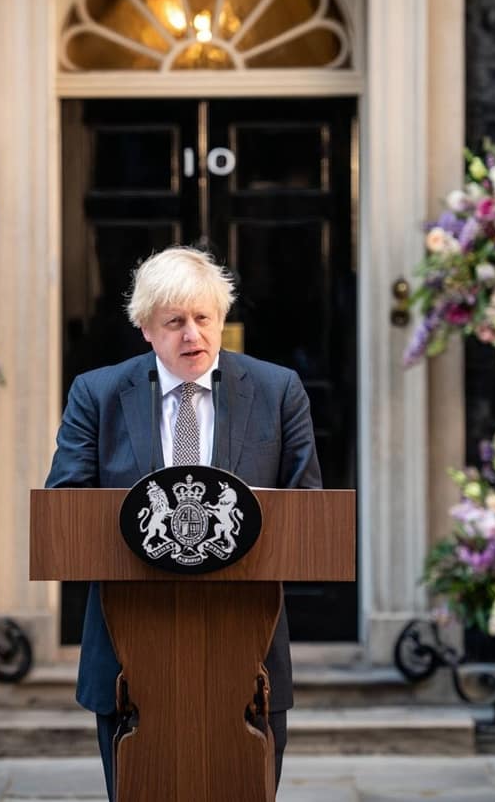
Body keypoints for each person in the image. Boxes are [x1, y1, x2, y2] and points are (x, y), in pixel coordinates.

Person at [45, 245, 321, 801]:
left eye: (204, 319)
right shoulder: (97, 394)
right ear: (145, 327)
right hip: (131, 652)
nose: (192, 335)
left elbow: (309, 511)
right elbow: (65, 507)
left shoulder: (276, 389)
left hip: (246, 651)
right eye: (174, 322)